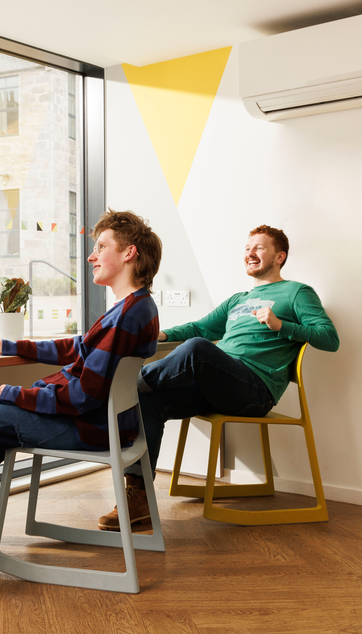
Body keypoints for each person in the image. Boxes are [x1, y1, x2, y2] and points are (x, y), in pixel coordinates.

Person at [0, 209, 162, 585]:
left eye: (101, 246)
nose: (91, 256)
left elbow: (83, 395)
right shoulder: (134, 308)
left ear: (129, 254)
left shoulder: (126, 316)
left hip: (84, 425)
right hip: (103, 423)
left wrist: (17, 395)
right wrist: (7, 345)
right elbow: (77, 346)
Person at [97, 225, 340, 531]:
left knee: (195, 352)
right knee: (149, 399)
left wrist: (281, 326)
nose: (250, 253)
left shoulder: (297, 293)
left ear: (280, 256)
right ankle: (138, 498)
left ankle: (128, 384)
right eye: (248, 247)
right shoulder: (239, 298)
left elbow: (329, 338)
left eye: (260, 248)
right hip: (220, 384)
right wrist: (162, 334)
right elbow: (200, 328)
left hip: (255, 390)